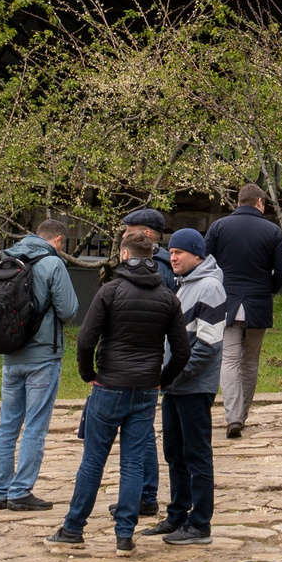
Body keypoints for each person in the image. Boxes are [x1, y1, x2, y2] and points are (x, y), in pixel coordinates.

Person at [48, 224, 187, 553]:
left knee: (93, 461)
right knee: (134, 463)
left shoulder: (110, 291)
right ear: (152, 257)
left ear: (125, 255)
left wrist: (89, 374)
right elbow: (182, 351)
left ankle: (74, 527)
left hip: (109, 384)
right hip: (145, 389)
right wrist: (161, 380)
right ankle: (125, 534)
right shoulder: (168, 297)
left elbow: (85, 340)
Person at [0, 218, 79, 514]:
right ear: (59, 241)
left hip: (10, 354)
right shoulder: (53, 265)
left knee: (7, 425)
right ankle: (21, 491)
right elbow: (69, 311)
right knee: (35, 426)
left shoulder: (7, 259)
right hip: (43, 357)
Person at [151, 227, 226, 544]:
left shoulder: (209, 287)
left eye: (180, 251)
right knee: (174, 453)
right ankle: (177, 515)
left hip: (193, 387)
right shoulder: (183, 287)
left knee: (196, 455)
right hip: (176, 385)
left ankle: (200, 524)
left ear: (198, 253)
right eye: (171, 251)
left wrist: (172, 375)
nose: (173, 256)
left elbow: (208, 346)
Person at [204, 184, 282, 439]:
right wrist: (269, 289)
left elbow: (205, 261)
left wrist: (217, 288)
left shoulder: (219, 227)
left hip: (226, 302)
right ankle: (242, 415)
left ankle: (232, 417)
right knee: (250, 361)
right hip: (258, 301)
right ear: (260, 202)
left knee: (229, 359)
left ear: (238, 201)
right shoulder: (272, 230)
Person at [119, 205, 172, 518]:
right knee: (139, 425)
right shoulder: (153, 262)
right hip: (139, 356)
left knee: (141, 426)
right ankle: (142, 492)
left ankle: (146, 493)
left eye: (129, 230)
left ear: (147, 235)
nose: (123, 235)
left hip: (145, 356)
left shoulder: (158, 267)